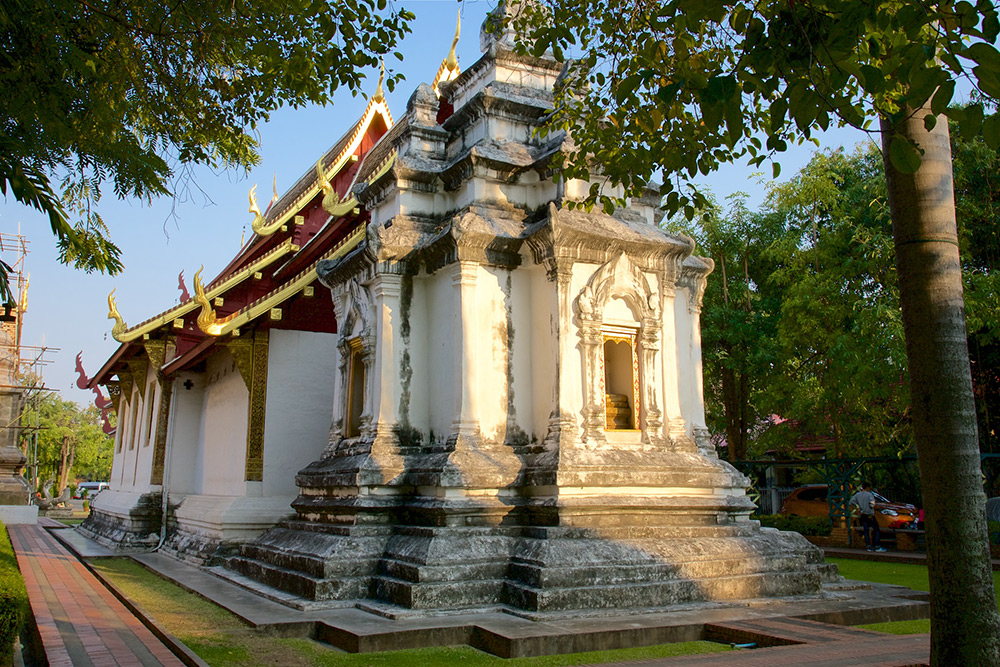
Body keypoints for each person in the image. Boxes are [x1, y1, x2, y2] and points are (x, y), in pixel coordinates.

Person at [850, 481, 886, 552]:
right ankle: (877, 546)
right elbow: (872, 504)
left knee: (866, 530)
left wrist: (857, 509)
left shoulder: (858, 495)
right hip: (870, 514)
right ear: (867, 487)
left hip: (863, 514)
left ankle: (868, 546)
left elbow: (851, 502)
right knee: (876, 529)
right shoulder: (869, 495)